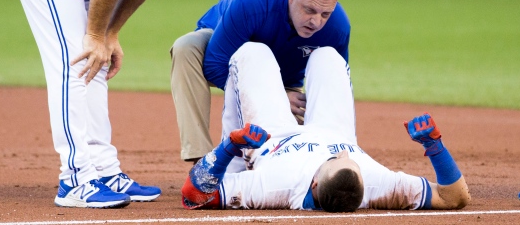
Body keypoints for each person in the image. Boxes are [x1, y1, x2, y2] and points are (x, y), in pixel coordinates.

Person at [0, 0, 269, 208]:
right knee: (76, 62)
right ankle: (74, 179)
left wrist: (110, 34)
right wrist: (95, 35)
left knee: (95, 64)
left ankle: (103, 169)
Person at [181, 42, 471, 211]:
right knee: (328, 56)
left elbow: (194, 195)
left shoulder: (276, 187)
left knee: (252, 52)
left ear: (316, 183)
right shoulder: (374, 184)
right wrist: (435, 146)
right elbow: (454, 197)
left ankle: (234, 166)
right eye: (350, 160)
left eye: (334, 159)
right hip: (335, 130)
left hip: (272, 139)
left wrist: (230, 146)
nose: (345, 156)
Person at [171, 0, 350, 164]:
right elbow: (214, 64)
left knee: (293, 158)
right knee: (186, 48)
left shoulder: (337, 28)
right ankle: (201, 163)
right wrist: (275, 98)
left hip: (285, 85)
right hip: (223, 57)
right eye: (309, 9)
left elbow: (336, 91)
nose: (316, 21)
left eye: (325, 14)